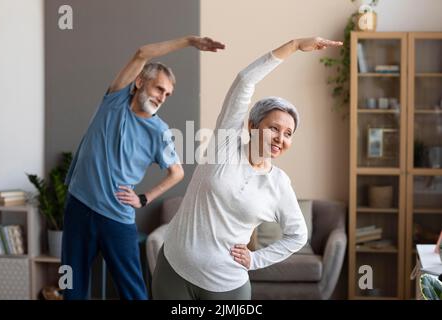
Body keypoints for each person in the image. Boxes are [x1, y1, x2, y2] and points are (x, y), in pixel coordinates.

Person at [152, 36, 343, 300]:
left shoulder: (278, 184)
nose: (280, 138)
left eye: (288, 133)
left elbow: (298, 235)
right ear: (252, 126)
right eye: (274, 128)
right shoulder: (225, 144)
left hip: (226, 286)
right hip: (173, 270)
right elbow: (245, 80)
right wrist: (295, 46)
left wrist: (255, 260)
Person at [61, 36, 225, 300]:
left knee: (133, 293)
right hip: (79, 207)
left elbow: (177, 172)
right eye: (159, 89)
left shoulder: (160, 132)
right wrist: (190, 41)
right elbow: (141, 53)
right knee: (71, 286)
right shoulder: (114, 100)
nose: (162, 97)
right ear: (139, 82)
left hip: (116, 217)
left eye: (167, 94)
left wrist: (143, 198)